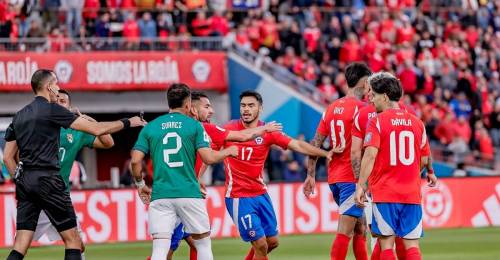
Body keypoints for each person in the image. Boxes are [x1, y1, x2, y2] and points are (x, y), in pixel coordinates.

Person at [2, 69, 145, 260]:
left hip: (27, 182)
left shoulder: (19, 115)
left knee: (20, 245)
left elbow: (8, 157)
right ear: (49, 87)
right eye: (56, 84)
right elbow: (96, 129)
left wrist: (20, 179)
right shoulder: (53, 110)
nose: (58, 88)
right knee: (74, 241)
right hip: (50, 181)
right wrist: (129, 122)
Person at [165, 91, 282, 260]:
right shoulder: (200, 128)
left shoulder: (171, 127)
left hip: (176, 192)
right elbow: (218, 151)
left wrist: (196, 179)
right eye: (207, 107)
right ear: (192, 109)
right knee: (168, 249)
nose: (211, 111)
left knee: (194, 243)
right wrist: (229, 151)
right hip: (182, 195)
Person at [223, 90, 335, 260]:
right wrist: (198, 177)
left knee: (272, 242)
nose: (246, 109)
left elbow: (297, 145)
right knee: (260, 244)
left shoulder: (269, 132)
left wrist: (324, 153)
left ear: (260, 108)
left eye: (251, 105)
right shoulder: (228, 129)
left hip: (260, 194)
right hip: (238, 195)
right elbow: (208, 152)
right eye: (243, 105)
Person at [130, 83, 238, 260]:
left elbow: (135, 160)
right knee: (203, 244)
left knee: (160, 249)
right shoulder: (195, 126)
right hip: (189, 193)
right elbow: (208, 158)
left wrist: (140, 184)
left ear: (168, 103)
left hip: (161, 195)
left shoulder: (151, 126)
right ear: (188, 104)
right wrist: (228, 151)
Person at [354, 72, 437, 260]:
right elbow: (424, 159)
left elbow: (369, 155)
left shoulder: (376, 121)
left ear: (384, 96)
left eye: (373, 95)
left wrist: (361, 185)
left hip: (385, 193)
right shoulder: (418, 123)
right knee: (412, 246)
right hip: (411, 194)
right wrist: (410, 174)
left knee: (386, 245)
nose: (371, 101)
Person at [31, 89, 115, 259]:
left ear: (70, 106)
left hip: (60, 196)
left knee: (78, 244)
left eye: (63, 101)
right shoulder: (41, 126)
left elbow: (108, 142)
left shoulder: (77, 131)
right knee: (21, 243)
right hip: (37, 196)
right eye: (57, 101)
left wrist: (85, 118)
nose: (59, 104)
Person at [303, 62, 372, 260]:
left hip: (335, 178)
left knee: (360, 229)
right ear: (365, 82)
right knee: (346, 230)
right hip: (352, 178)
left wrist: (311, 174)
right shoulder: (363, 109)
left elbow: (315, 143)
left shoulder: (331, 108)